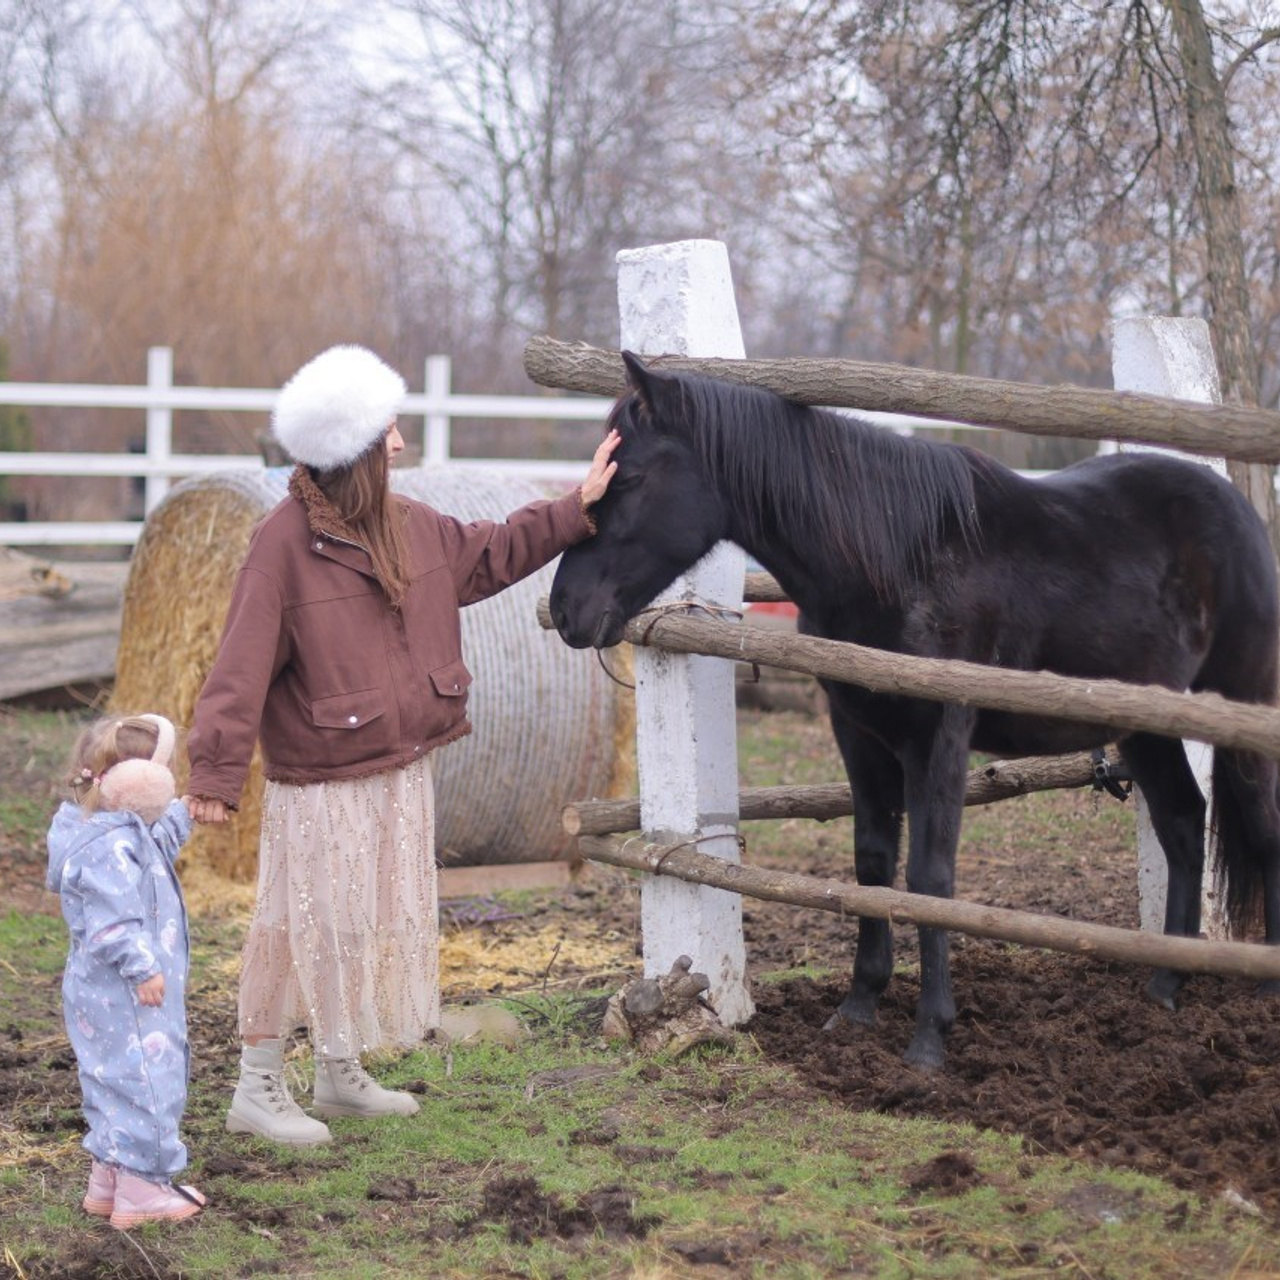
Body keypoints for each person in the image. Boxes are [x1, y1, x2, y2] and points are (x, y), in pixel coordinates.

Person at [186, 344, 619, 1146]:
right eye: (388, 428)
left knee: (360, 924)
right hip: (323, 781)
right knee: (297, 924)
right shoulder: (280, 544)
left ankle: (338, 1069)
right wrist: (214, 773)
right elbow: (238, 666)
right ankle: (257, 1085)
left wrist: (575, 507)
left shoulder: (410, 524)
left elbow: (493, 551)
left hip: (397, 769)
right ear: (353, 447)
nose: (400, 441)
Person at [46, 712, 207, 1229]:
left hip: (102, 991)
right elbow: (113, 921)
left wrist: (188, 810)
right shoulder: (109, 847)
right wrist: (142, 969)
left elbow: (155, 845)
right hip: (132, 990)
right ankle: (144, 1189)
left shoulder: (104, 829)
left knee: (110, 1079)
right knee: (148, 1081)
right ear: (141, 783)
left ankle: (109, 1178)